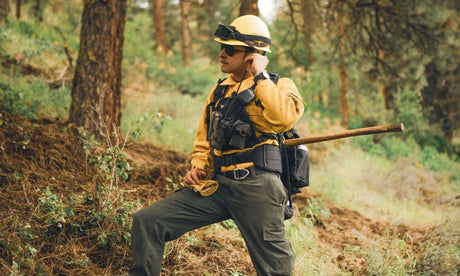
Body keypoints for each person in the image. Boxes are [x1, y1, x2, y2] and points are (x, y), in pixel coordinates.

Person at [129, 15, 304, 276]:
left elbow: (283, 118)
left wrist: (260, 75)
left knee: (276, 269)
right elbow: (205, 139)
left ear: (252, 54)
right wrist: (199, 166)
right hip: (219, 186)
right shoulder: (220, 90)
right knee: (148, 220)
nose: (222, 53)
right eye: (221, 47)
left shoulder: (278, 85)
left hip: (258, 187)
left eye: (230, 49)